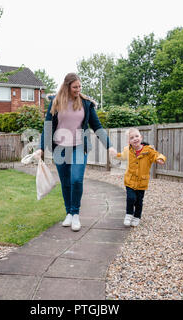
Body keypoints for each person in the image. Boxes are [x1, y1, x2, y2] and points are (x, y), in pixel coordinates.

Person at [34, 73, 115, 232]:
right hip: (60, 148)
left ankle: (76, 214)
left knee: (76, 180)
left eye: (80, 87)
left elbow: (97, 126)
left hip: (79, 146)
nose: (78, 90)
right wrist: (40, 148)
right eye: (75, 87)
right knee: (65, 182)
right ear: (67, 87)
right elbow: (48, 127)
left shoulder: (86, 104)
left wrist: (109, 146)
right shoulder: (55, 103)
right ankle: (69, 213)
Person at [109, 128, 166, 227]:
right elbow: (122, 156)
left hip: (142, 181)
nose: (135, 139)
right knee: (131, 198)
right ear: (129, 141)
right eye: (132, 138)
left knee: (139, 201)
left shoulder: (148, 150)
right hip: (130, 180)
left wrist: (160, 159)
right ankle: (129, 214)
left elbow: (156, 155)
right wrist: (115, 154)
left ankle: (137, 216)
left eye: (136, 136)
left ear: (141, 137)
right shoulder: (127, 150)